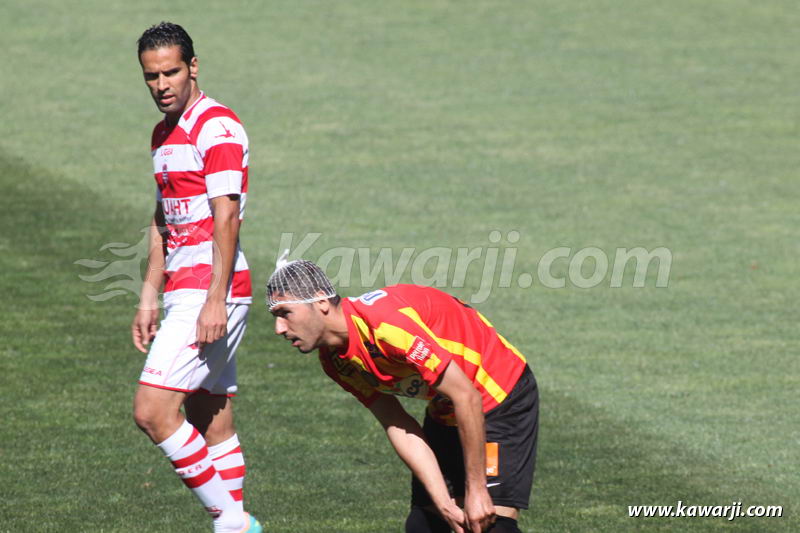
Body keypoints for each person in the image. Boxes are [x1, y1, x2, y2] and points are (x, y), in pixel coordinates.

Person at [266, 258, 539, 533]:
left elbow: (468, 397)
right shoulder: (334, 361)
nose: (278, 328)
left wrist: (477, 489)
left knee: (489, 525)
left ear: (320, 302)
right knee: (427, 524)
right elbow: (396, 422)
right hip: (445, 407)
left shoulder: (386, 327)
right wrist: (444, 502)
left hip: (498, 395)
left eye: (285, 312)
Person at [130, 22, 261, 533]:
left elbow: (225, 217)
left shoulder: (218, 128)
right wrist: (147, 294)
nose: (161, 84)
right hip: (185, 291)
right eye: (151, 76)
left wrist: (214, 300)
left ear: (193, 67)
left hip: (212, 291)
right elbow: (165, 219)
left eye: (171, 72)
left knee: (152, 409)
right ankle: (235, 524)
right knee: (210, 413)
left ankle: (234, 522)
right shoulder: (162, 134)